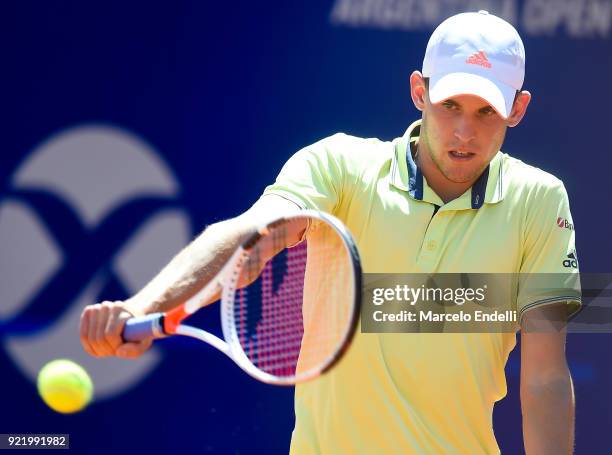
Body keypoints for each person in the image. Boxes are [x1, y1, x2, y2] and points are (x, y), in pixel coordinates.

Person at [80, 10, 581, 454]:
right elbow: (250, 236)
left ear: (517, 109)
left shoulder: (539, 201)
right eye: (450, 106)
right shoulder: (339, 164)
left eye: (486, 112)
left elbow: (544, 377)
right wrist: (143, 307)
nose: (465, 133)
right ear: (419, 92)